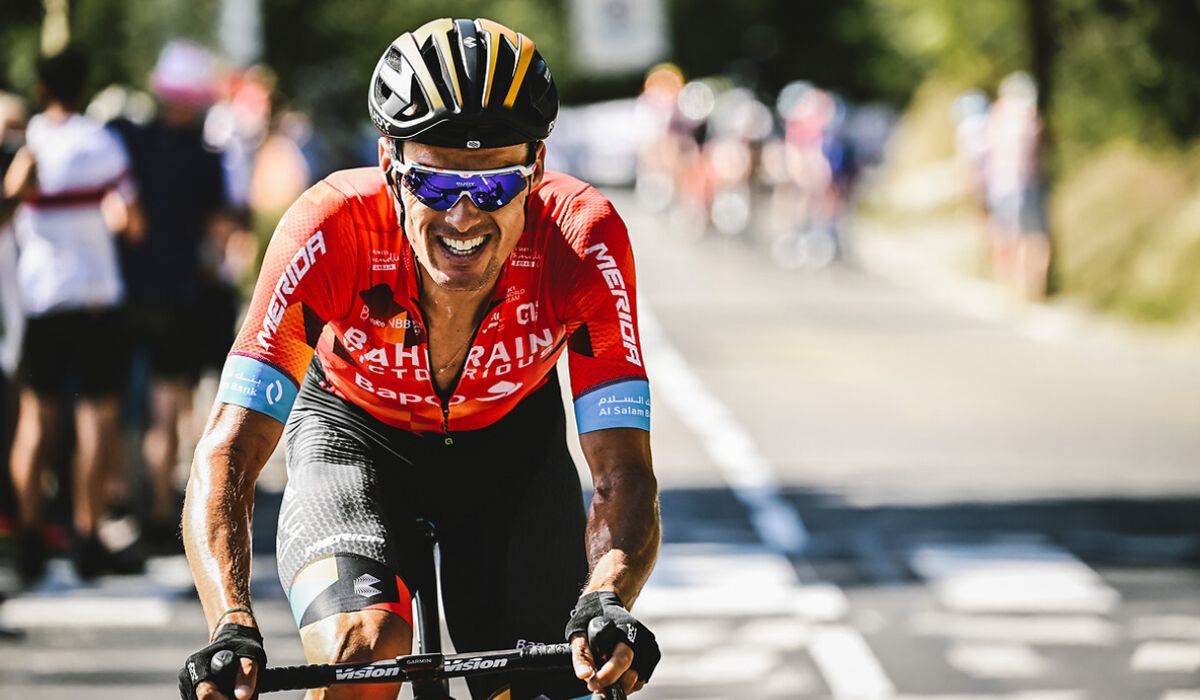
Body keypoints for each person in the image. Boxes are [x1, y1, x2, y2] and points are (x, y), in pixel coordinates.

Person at [179, 17, 661, 700]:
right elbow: (229, 449)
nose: (463, 218)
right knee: (363, 654)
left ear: (538, 171)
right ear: (387, 165)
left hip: (509, 450)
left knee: (558, 679)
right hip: (353, 437)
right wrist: (230, 622)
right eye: (433, 185)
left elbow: (624, 470)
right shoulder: (331, 227)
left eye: (495, 187)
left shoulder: (582, 240)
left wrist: (609, 597)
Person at [3, 47, 143, 584]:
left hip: (41, 298)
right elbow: (132, 223)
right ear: (83, 87)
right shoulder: (102, 143)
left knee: (36, 423)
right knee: (96, 420)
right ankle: (87, 536)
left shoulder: (28, 144)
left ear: (41, 89)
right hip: (95, 298)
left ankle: (32, 538)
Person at [109, 41, 233, 550]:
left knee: (115, 404)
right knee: (169, 408)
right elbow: (220, 231)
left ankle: (117, 497)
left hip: (128, 291)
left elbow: (120, 210)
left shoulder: (130, 143)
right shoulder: (207, 160)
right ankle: (163, 511)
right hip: (181, 297)